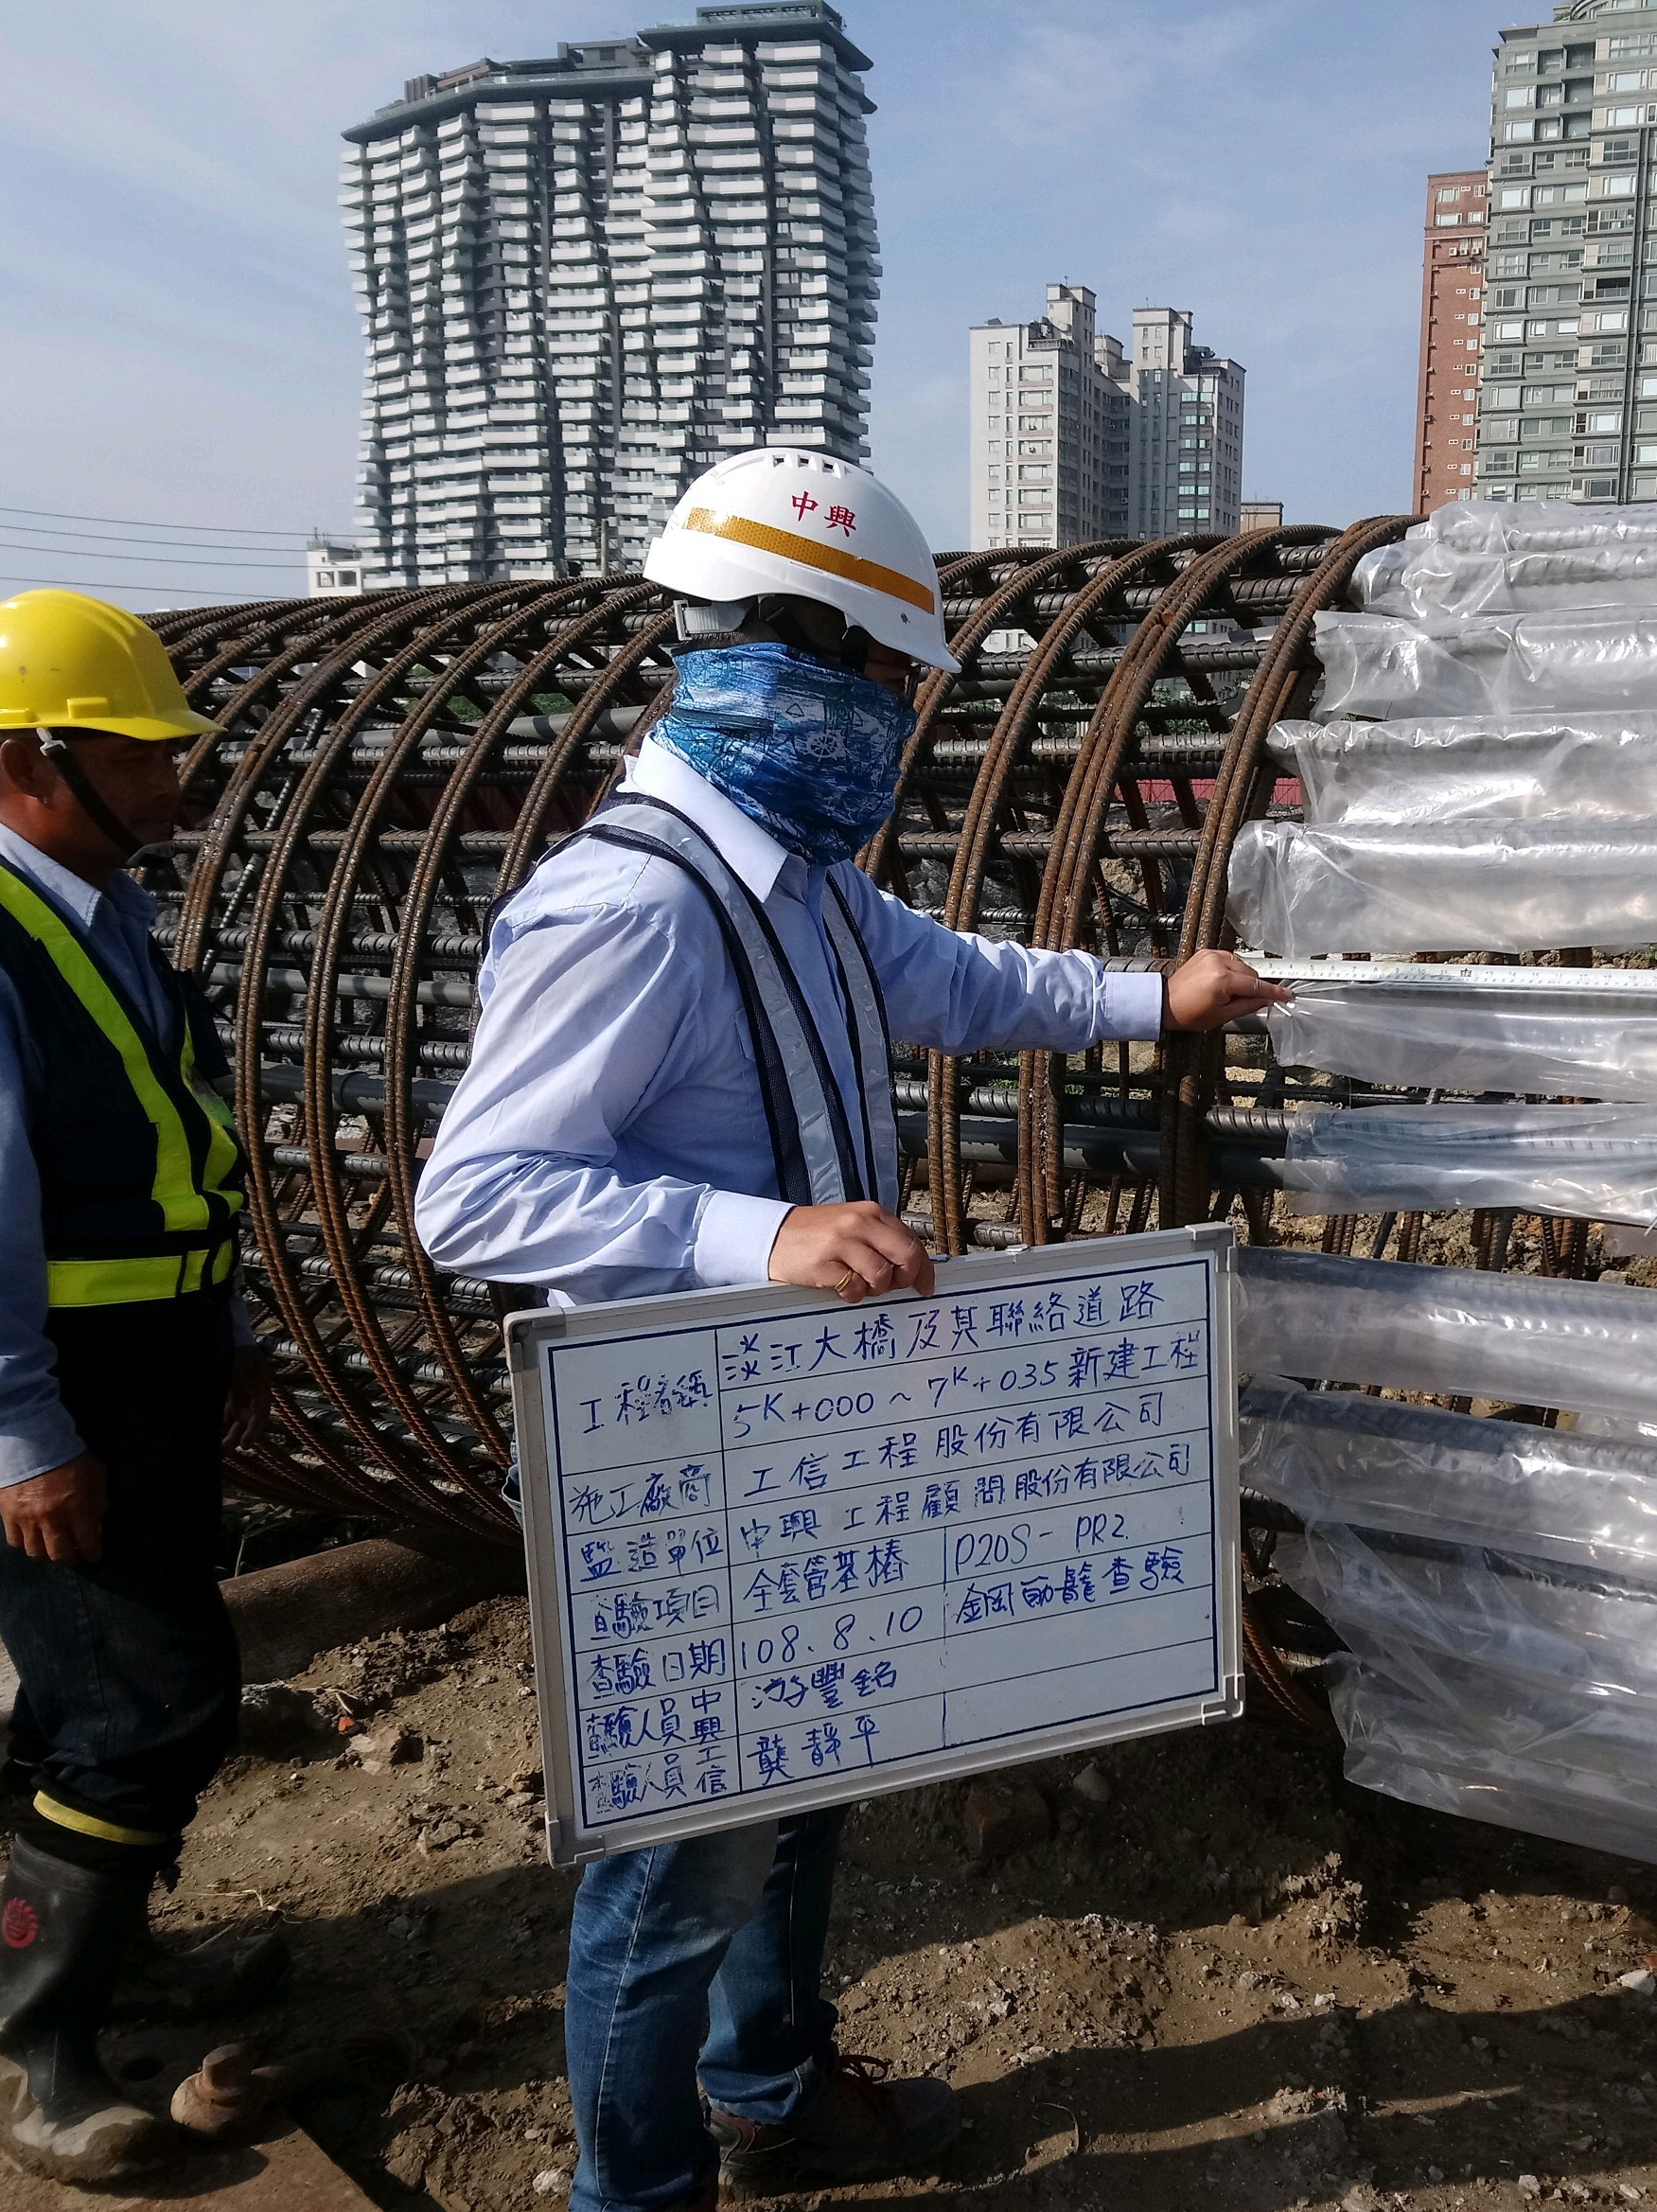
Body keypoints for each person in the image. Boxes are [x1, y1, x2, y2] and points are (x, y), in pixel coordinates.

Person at [414, 447, 1289, 2212]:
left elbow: (962, 978)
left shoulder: (799, 877)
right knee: (673, 1870)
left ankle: (773, 2086)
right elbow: (475, 1195)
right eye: (893, 681)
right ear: (792, 661)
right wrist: (765, 1232)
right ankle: (635, 2186)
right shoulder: (636, 901)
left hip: (801, 1432)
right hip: (682, 1453)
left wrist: (1155, 992)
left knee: (816, 1774)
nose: (899, 722)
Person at [0, 589, 275, 2186]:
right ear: (32, 758)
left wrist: (216, 1330)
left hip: (147, 1373)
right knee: (150, 1706)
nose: (177, 784)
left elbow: (165, 1159)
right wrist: (22, 1433)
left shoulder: (106, 921)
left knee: (91, 1694)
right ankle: (24, 2049)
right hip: (60, 1394)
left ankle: (117, 1954)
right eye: (142, 756)